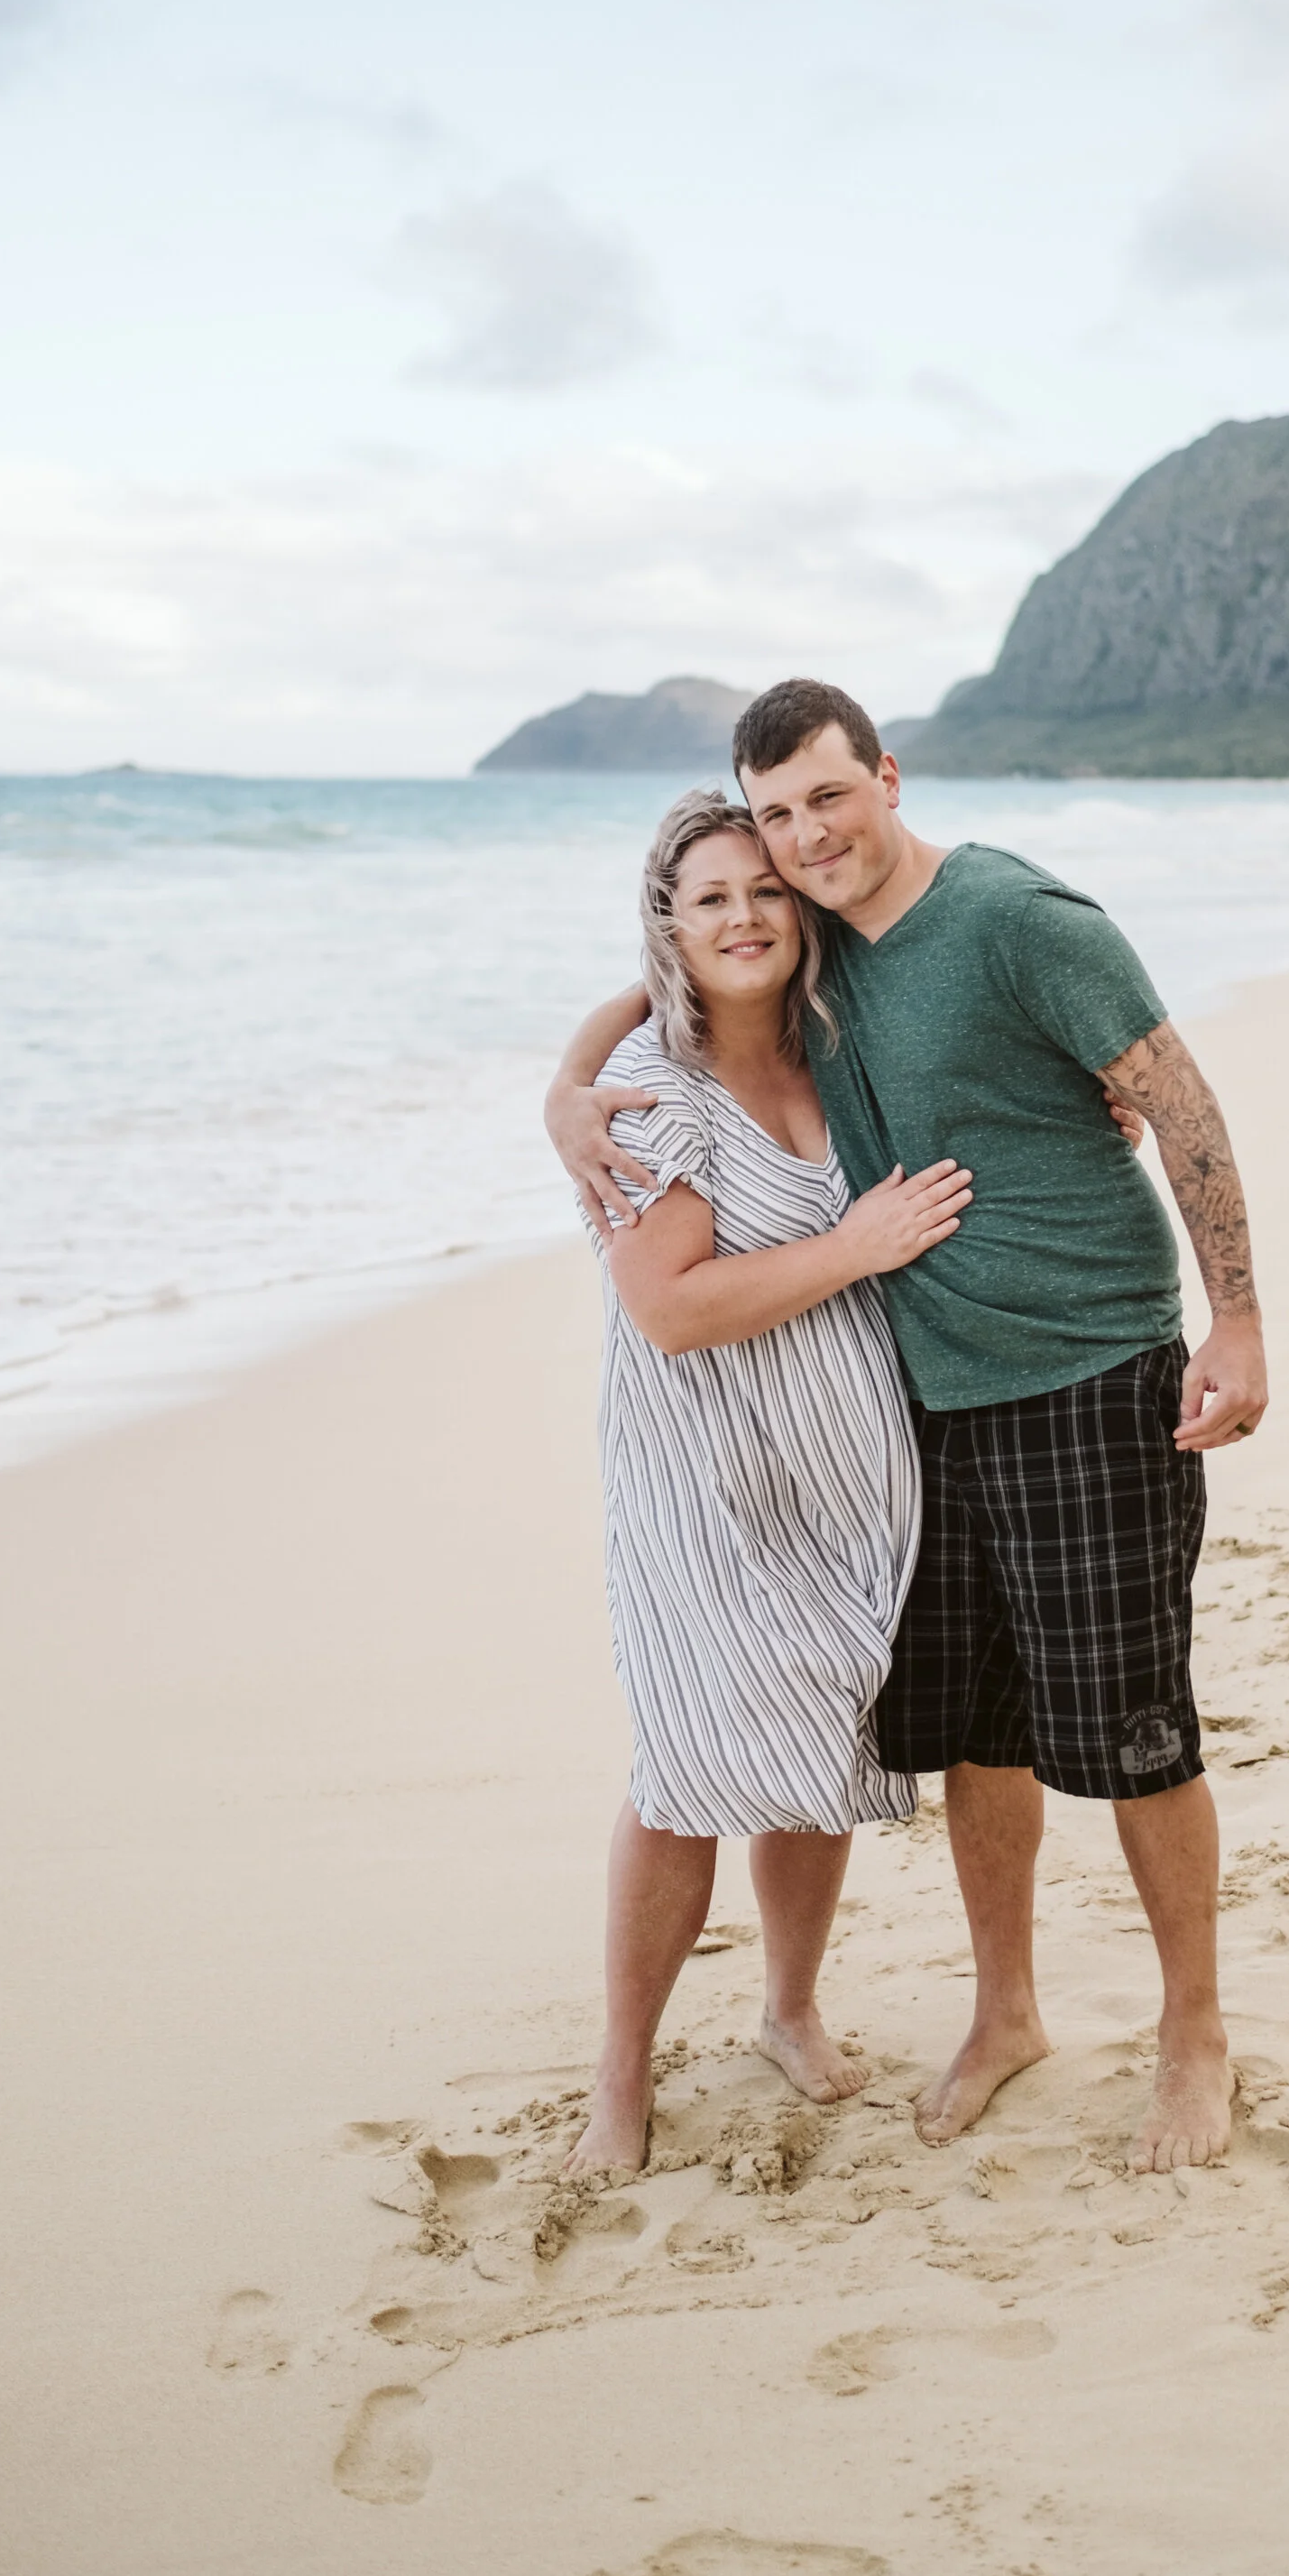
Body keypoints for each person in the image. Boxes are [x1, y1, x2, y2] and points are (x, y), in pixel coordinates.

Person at [550, 680, 1269, 2176]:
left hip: (1074, 1380)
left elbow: (1184, 1105)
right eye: (774, 822)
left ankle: (1193, 2033)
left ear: (885, 777)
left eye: (824, 802)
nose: (799, 848)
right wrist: (567, 1090)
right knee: (958, 1741)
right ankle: (1001, 2015)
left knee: (1135, 1732)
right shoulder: (771, 997)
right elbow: (676, 1010)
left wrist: (1239, 1323)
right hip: (884, 1425)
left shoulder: (995, 927)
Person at [565, 787, 974, 2176]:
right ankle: (621, 2074)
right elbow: (669, 1310)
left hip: (845, 1476)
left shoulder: (841, 1052)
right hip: (705, 1478)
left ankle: (788, 2010)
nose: (743, 917)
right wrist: (855, 1248)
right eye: (710, 899)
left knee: (820, 1735)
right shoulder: (652, 1100)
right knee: (685, 1763)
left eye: (764, 891)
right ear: (668, 929)